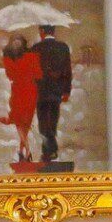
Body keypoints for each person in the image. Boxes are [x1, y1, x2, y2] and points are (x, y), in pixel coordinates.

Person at [0, 34, 42, 162]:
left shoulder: (25, 57)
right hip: (23, 90)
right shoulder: (26, 57)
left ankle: (25, 151)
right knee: (20, 120)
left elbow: (36, 74)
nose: (16, 44)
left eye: (18, 42)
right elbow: (37, 74)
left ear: (23, 43)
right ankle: (25, 151)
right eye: (14, 42)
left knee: (23, 122)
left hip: (25, 90)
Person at [30, 24, 72, 162]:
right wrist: (66, 90)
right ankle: (50, 151)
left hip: (40, 91)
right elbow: (67, 71)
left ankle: (49, 151)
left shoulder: (35, 49)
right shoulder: (63, 47)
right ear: (53, 32)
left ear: (42, 31)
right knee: (53, 120)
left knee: (43, 122)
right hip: (56, 91)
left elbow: (31, 73)